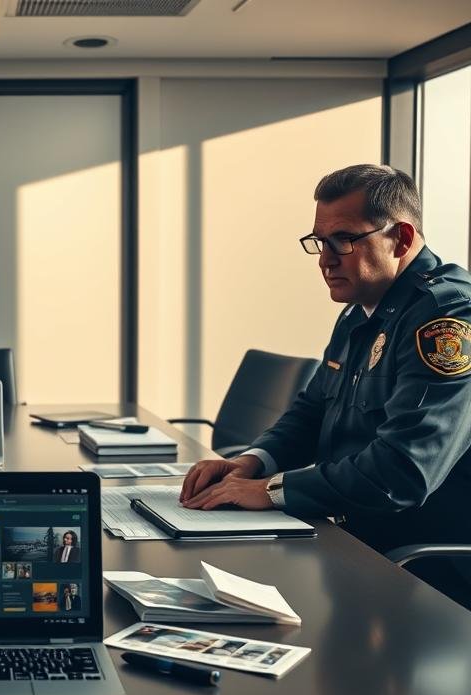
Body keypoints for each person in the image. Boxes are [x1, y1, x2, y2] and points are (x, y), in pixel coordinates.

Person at [180, 163, 471, 610]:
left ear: (403, 238)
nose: (326, 260)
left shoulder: (446, 321)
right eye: (320, 242)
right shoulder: (361, 310)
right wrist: (253, 463)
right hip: (351, 539)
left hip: (422, 571)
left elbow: (403, 473)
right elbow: (313, 409)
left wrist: (272, 491)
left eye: (344, 241)